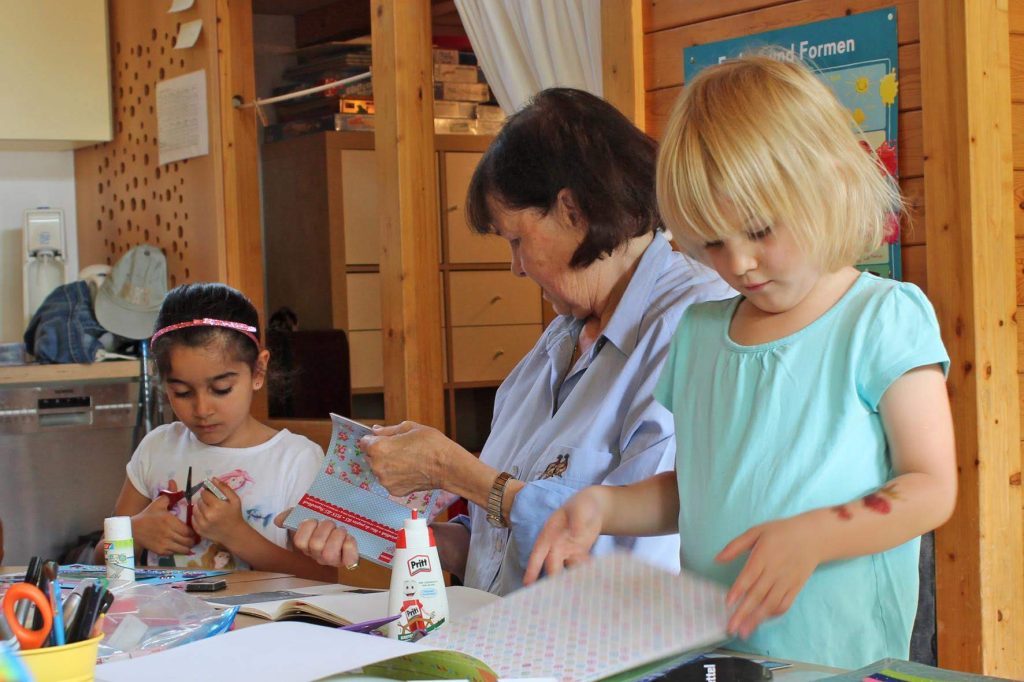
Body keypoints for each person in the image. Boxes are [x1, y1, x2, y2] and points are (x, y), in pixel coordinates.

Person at [524, 55, 957, 669]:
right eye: (713, 242)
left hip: (838, 660)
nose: (739, 264)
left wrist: (816, 535)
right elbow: (697, 491)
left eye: (758, 231)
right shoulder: (699, 332)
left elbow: (931, 486)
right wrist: (603, 504)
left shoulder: (882, 318)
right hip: (715, 652)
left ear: (829, 185)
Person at [285, 87, 734, 594]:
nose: (516, 267)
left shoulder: (693, 326)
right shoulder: (560, 339)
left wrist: (452, 470)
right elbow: (495, 549)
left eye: (517, 240)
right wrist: (388, 534)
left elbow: (624, 553)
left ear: (572, 210)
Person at [97, 283, 333, 579]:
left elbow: (322, 578)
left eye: (221, 389)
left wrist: (237, 535)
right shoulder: (156, 448)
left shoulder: (296, 459)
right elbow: (98, 561)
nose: (202, 409)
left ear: (258, 371)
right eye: (182, 392)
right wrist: (133, 532)